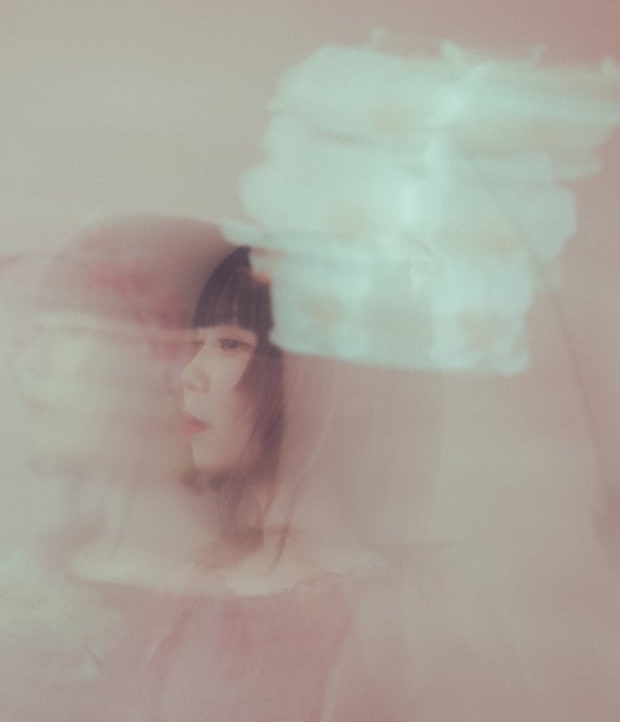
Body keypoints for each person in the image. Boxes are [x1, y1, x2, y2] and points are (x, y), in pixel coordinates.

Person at [0, 214, 537, 721]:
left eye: (230, 344)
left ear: (344, 381)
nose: (191, 374)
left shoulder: (419, 615)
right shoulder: (184, 594)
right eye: (197, 345)